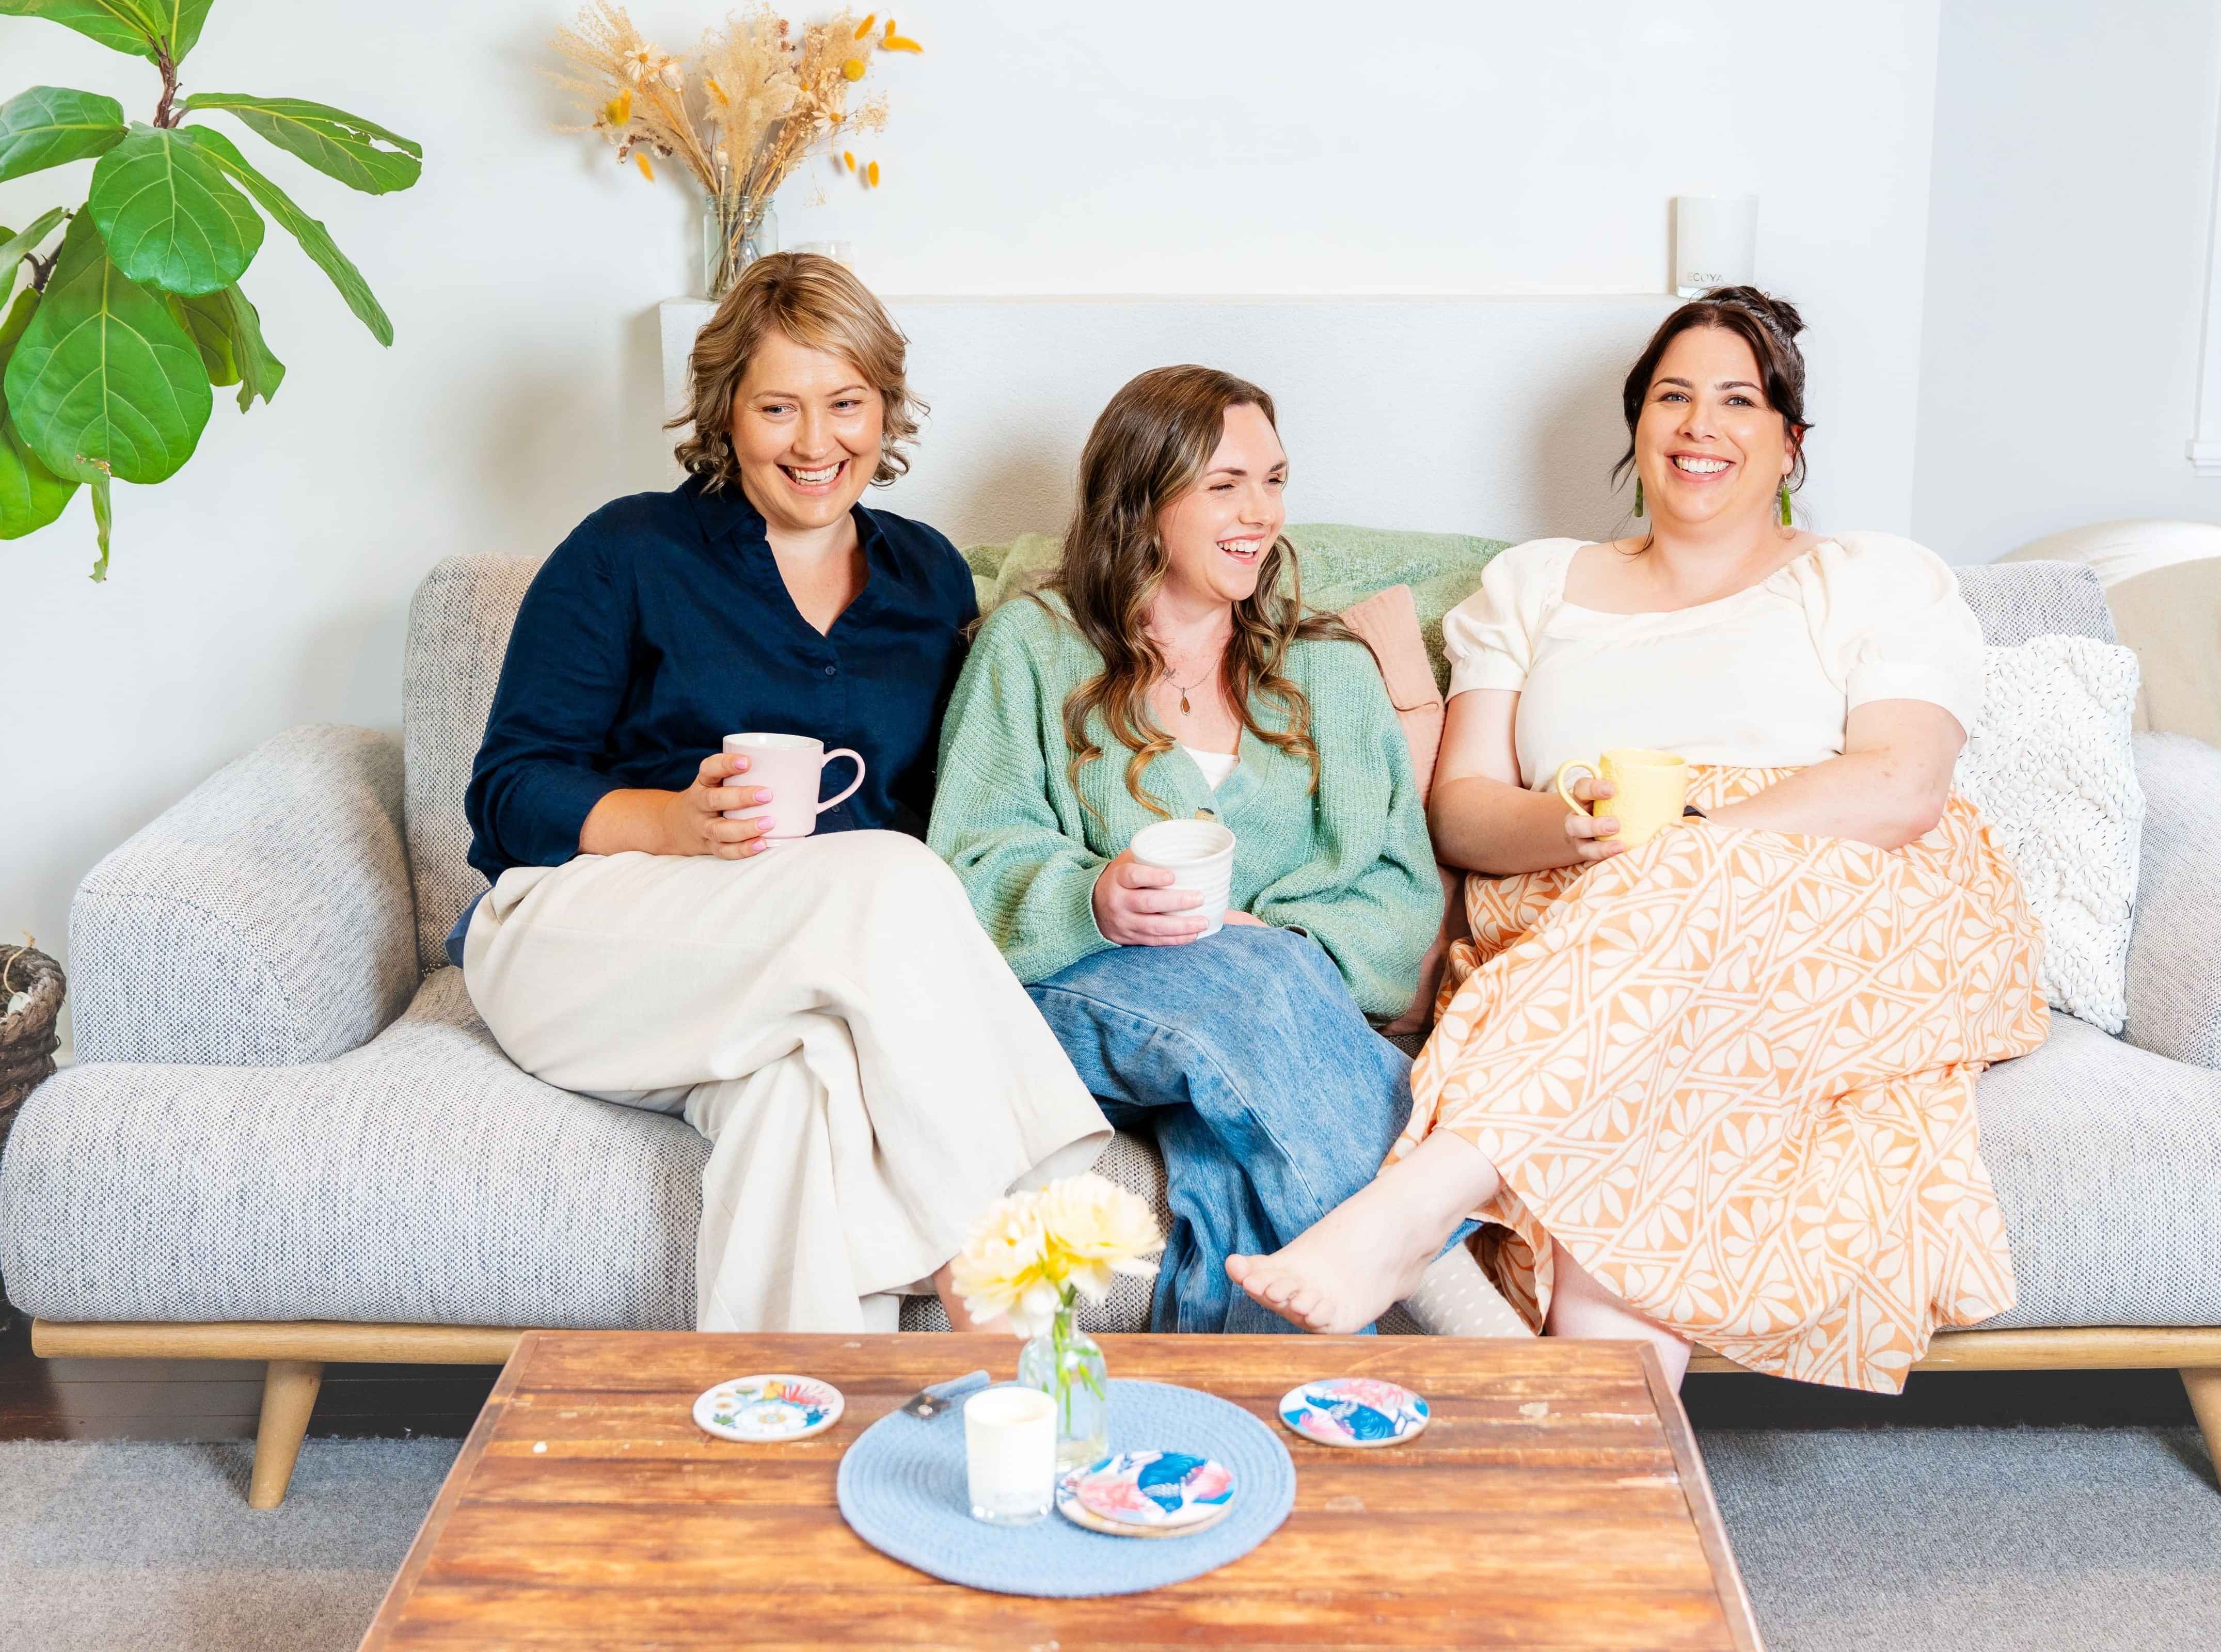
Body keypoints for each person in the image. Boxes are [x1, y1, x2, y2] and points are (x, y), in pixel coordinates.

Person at [1226, 288, 2050, 1393]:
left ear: (1790, 443)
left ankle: (1419, 1203)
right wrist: (1560, 820)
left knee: (1675, 910)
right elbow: (1463, 809)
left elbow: (1901, 786)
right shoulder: (1534, 586)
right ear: (1636, 428)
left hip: (1845, 904)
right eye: (1672, 396)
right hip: (1596, 920)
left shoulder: (1870, 578)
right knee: (1634, 1144)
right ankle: (1610, 1473)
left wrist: (1693, 840)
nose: (1699, 425)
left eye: (1737, 401)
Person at [453, 253, 1107, 1336]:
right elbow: (506, 797)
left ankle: (781, 1435)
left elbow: (949, 795)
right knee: (893, 881)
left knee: (799, 1092)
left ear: (886, 407)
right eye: (778, 408)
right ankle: (1002, 1266)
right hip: (590, 943)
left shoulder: (927, 577)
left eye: (846, 402)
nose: (817, 442)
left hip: (797, 975)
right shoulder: (627, 551)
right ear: (724, 414)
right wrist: (670, 822)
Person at [928, 364, 1446, 1333]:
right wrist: (1093, 899)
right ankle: (1431, 1259)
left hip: (1264, 1036)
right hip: (1073, 1006)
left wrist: (1275, 939)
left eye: (1276, 480)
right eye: (1226, 485)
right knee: (1253, 982)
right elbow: (964, 859)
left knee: (1236, 1182)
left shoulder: (1331, 674)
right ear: (1143, 500)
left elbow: (1400, 892)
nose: (1263, 512)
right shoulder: (1032, 649)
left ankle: (1246, 1440)